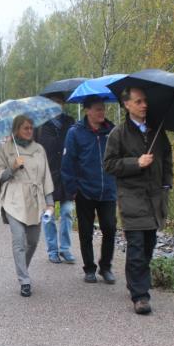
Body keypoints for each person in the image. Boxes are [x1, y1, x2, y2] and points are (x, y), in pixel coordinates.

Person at [103, 87, 173, 315]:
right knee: (136, 246)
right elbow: (110, 165)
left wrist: (167, 184)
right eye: (139, 101)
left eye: (145, 101)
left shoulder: (157, 131)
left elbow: (167, 159)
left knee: (149, 245)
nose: (144, 105)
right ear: (127, 105)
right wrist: (136, 162)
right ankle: (140, 296)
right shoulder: (118, 134)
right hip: (131, 196)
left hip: (154, 199)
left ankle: (135, 280)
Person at [0, 115, 54, 297]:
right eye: (25, 128)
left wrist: (49, 202)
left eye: (31, 128)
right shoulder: (6, 149)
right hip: (14, 198)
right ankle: (24, 280)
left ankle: (22, 267)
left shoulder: (39, 149)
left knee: (32, 241)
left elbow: (46, 177)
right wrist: (12, 167)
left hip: (34, 199)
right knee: (19, 239)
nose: (29, 131)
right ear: (16, 129)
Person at [61, 95, 117, 284]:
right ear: (87, 111)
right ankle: (89, 268)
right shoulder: (75, 133)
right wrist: (73, 190)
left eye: (103, 108)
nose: (102, 112)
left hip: (108, 190)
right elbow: (68, 164)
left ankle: (106, 267)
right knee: (86, 231)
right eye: (98, 109)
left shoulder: (112, 131)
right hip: (84, 191)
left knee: (110, 228)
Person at [35, 92, 77, 264]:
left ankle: (65, 248)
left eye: (60, 102)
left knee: (67, 212)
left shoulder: (71, 123)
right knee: (49, 215)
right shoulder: (40, 126)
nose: (57, 105)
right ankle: (52, 249)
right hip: (47, 177)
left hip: (67, 175)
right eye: (53, 103)